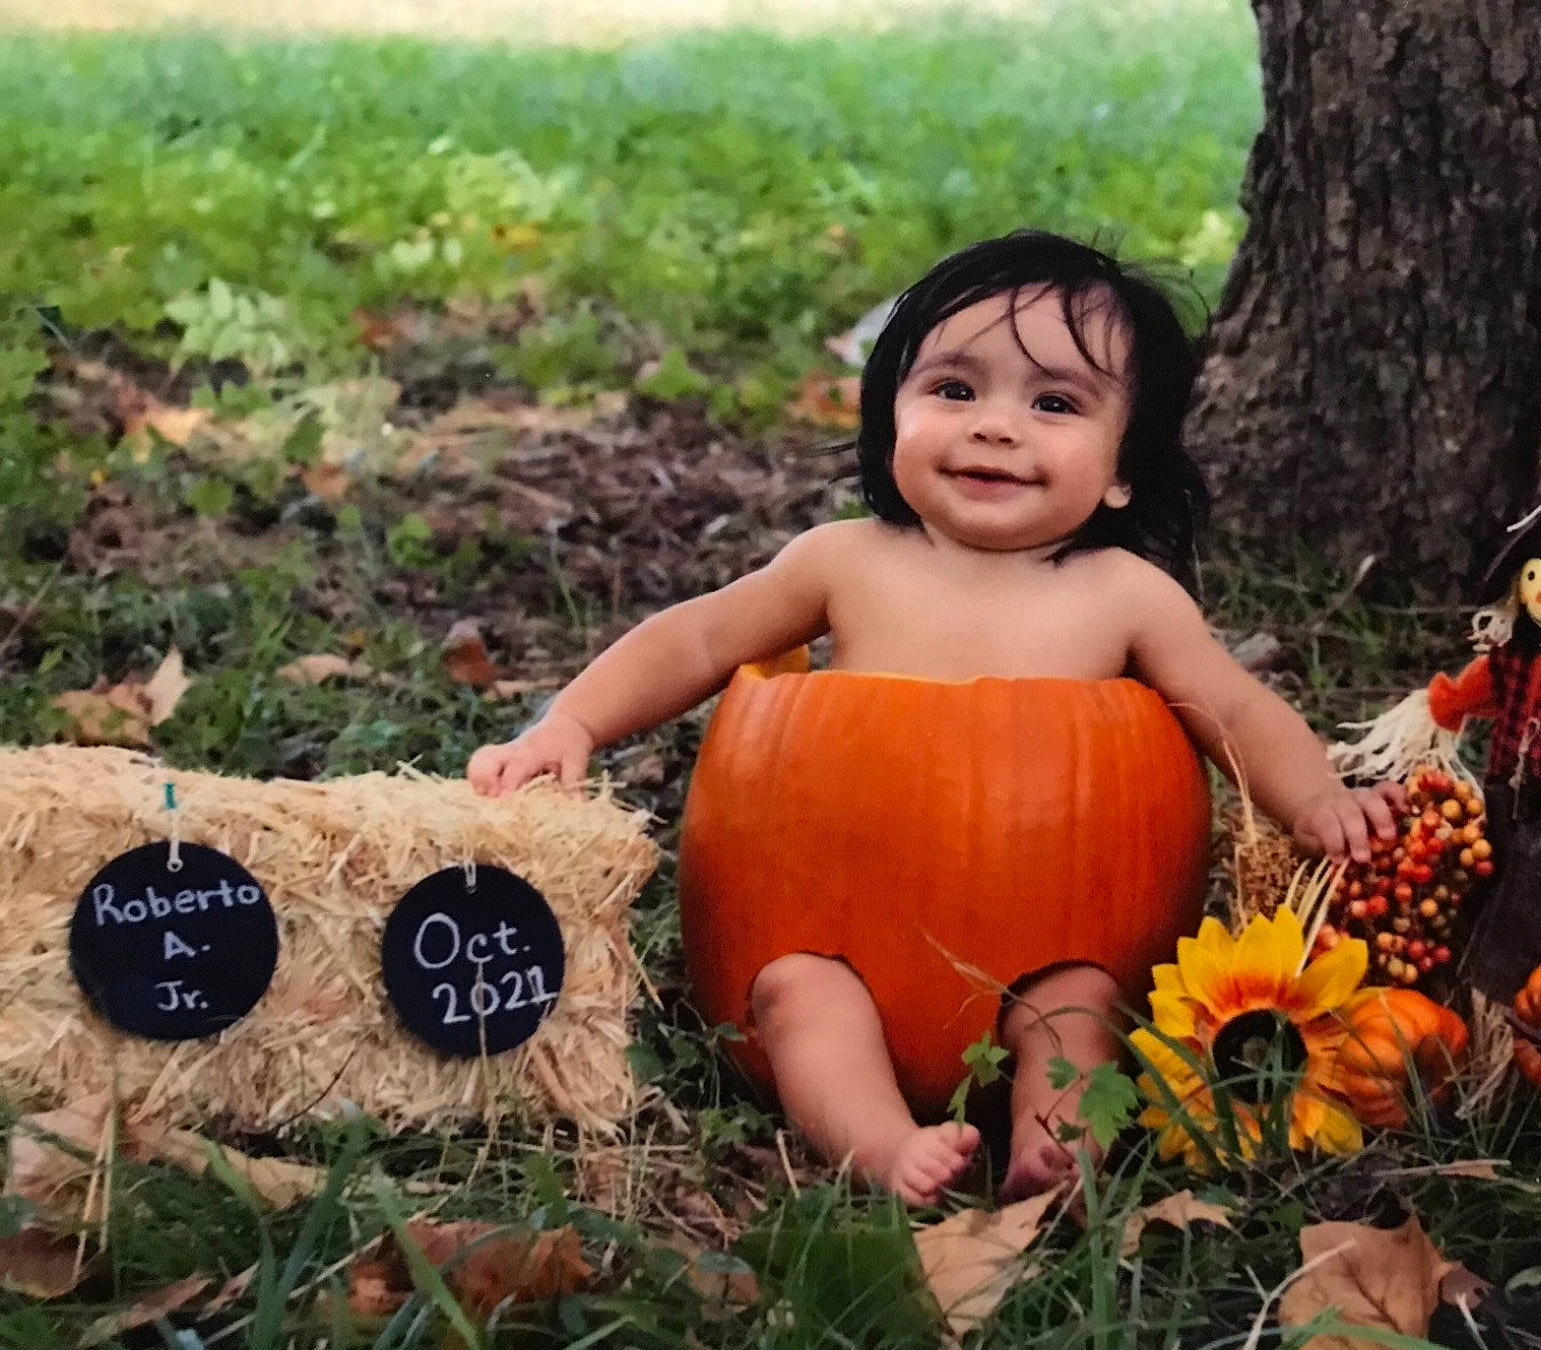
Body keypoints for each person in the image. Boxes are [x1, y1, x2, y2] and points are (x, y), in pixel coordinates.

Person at [469, 230, 1404, 1205]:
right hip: (831, 927)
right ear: (889, 420)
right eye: (954, 391)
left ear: (1124, 467)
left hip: (1053, 932)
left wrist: (1312, 799)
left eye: (1053, 403)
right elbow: (695, 642)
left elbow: (1234, 709)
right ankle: (877, 1145)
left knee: (1076, 1006)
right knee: (794, 995)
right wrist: (570, 723)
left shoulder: (1123, 595)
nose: (994, 427)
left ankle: (1055, 1141)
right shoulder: (844, 562)